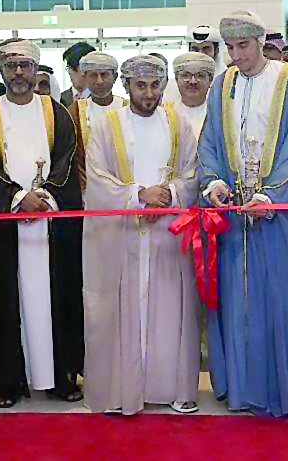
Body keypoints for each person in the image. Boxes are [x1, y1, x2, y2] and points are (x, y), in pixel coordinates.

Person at [198, 10, 288, 416]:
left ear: (260, 42)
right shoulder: (222, 85)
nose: (237, 55)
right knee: (239, 303)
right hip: (235, 215)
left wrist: (271, 196)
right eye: (230, 48)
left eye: (244, 46)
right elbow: (210, 141)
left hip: (278, 215)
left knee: (284, 297)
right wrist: (214, 182)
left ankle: (283, 393)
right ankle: (243, 390)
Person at [83, 55, 200, 415]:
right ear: (127, 86)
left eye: (155, 85)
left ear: (164, 85)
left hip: (167, 231)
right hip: (123, 234)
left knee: (169, 310)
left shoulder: (178, 122)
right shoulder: (107, 125)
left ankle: (170, 389)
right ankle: (123, 392)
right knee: (122, 310)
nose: (148, 93)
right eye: (140, 85)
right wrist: (138, 196)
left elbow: (192, 171)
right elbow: (97, 177)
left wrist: (169, 195)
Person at [0, 38, 84, 408]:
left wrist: (45, 197)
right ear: (1, 69)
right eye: (11, 65)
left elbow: (68, 158)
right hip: (5, 225)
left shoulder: (58, 111)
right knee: (5, 299)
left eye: (25, 65)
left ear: (36, 69)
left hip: (50, 221)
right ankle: (10, 380)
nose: (18, 72)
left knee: (57, 296)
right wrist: (17, 198)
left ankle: (60, 376)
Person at [67, 52, 125, 192]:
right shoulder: (74, 111)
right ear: (85, 77)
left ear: (115, 77)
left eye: (104, 74)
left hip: (126, 186)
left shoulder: (127, 107)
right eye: (93, 75)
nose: (99, 81)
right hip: (90, 189)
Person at [173, 52, 215, 140]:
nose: (193, 81)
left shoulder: (219, 114)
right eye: (186, 75)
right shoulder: (167, 114)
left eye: (200, 75)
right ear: (177, 79)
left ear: (210, 80)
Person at [60, 42, 95, 106]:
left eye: (74, 69)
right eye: (69, 68)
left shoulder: (101, 100)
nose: (70, 73)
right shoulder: (60, 99)